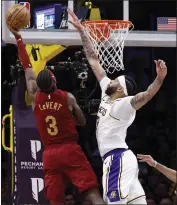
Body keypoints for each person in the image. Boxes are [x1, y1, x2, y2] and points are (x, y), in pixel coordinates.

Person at [68, 8, 168, 204]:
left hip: (117, 160)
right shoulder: (107, 91)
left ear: (120, 89)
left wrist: (159, 78)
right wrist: (81, 31)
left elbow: (146, 96)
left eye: (115, 81)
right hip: (122, 159)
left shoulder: (123, 104)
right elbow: (94, 61)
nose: (110, 80)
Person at [8, 26, 105, 205]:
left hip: (50, 154)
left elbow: (27, 67)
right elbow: (82, 122)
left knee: (55, 201)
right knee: (92, 193)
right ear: (54, 81)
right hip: (69, 149)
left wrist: (19, 39)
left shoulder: (35, 96)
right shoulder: (67, 97)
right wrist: (72, 116)